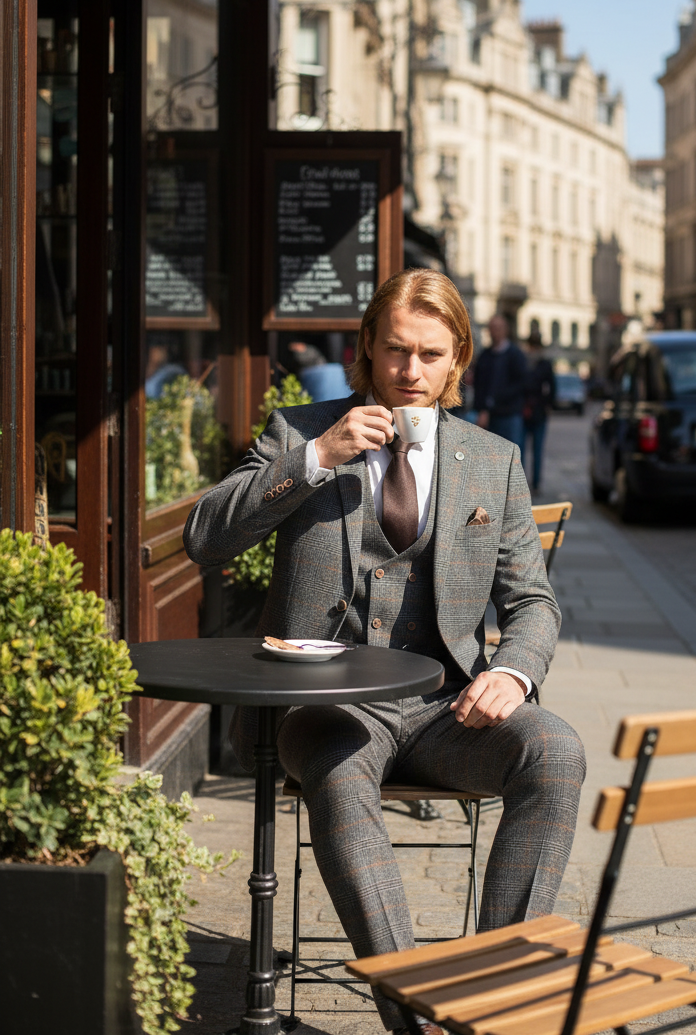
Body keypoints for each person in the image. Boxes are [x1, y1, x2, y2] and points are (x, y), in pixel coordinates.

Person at [184, 269, 585, 1035]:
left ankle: (495, 1003)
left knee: (556, 752)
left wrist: (511, 671)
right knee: (338, 773)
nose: (410, 371)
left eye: (430, 354)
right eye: (396, 350)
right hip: (327, 705)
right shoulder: (299, 429)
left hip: (445, 710)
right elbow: (206, 536)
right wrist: (314, 459)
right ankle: (419, 1021)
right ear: (365, 346)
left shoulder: (493, 460)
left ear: (457, 359)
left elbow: (533, 603)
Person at [473, 314, 528, 450]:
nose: (495, 332)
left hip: (510, 414)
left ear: (505, 330)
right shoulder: (485, 356)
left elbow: (521, 383)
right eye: (492, 328)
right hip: (489, 417)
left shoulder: (515, 355)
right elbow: (479, 384)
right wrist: (482, 408)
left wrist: (496, 399)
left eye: (498, 328)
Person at [523, 329, 554, 493]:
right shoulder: (522, 361)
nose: (533, 349)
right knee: (519, 448)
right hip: (523, 410)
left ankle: (535, 484)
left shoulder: (544, 363)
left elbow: (551, 387)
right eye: (532, 346)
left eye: (535, 346)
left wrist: (547, 405)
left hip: (539, 411)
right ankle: (519, 483)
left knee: (537, 449)